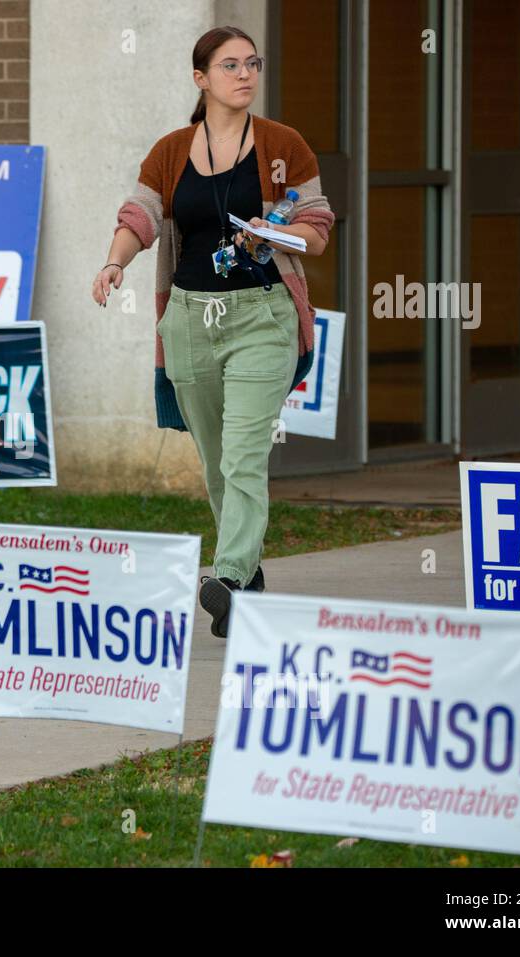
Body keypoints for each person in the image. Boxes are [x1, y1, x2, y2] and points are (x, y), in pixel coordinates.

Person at [91, 25, 334, 638]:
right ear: (201, 79)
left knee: (246, 455)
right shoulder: (172, 150)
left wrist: (276, 233)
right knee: (217, 465)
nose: (245, 74)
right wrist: (116, 261)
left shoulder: (284, 146)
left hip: (262, 315)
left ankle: (225, 577)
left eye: (253, 62)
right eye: (230, 65)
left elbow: (317, 225)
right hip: (191, 320)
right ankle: (248, 588)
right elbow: (141, 214)